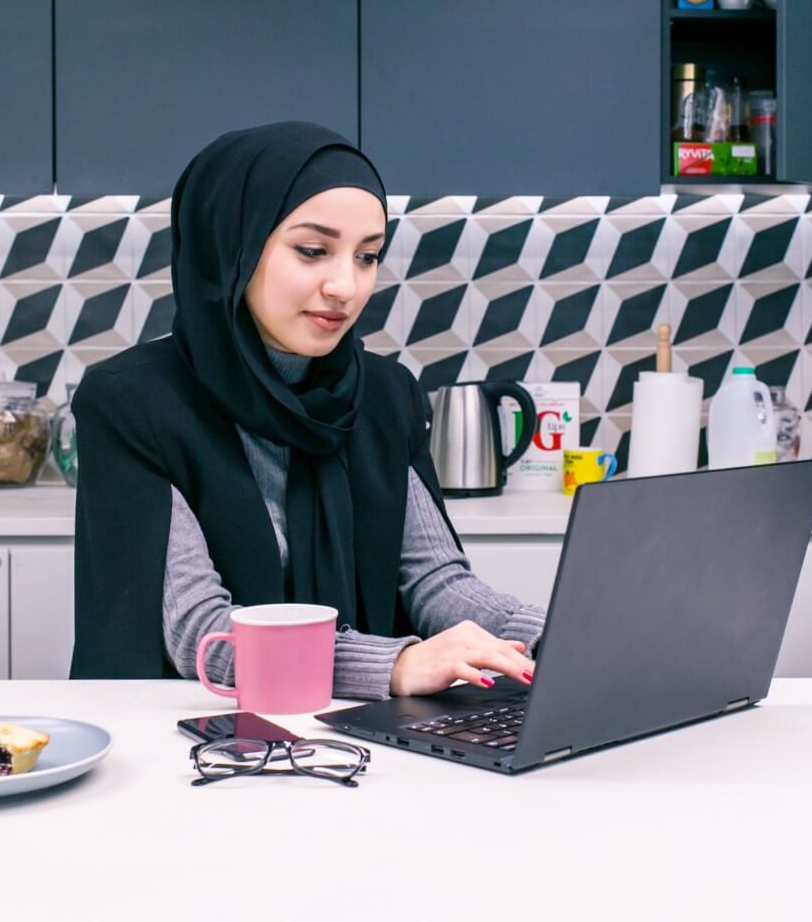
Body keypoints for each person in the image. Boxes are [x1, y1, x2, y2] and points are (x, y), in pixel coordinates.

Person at [69, 122, 543, 697]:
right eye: (313, 251)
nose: (345, 286)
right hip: (192, 739)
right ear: (232, 244)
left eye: (367, 256)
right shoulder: (129, 403)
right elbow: (199, 634)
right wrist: (392, 666)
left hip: (355, 731)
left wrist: (555, 639)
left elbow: (435, 580)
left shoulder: (386, 394)